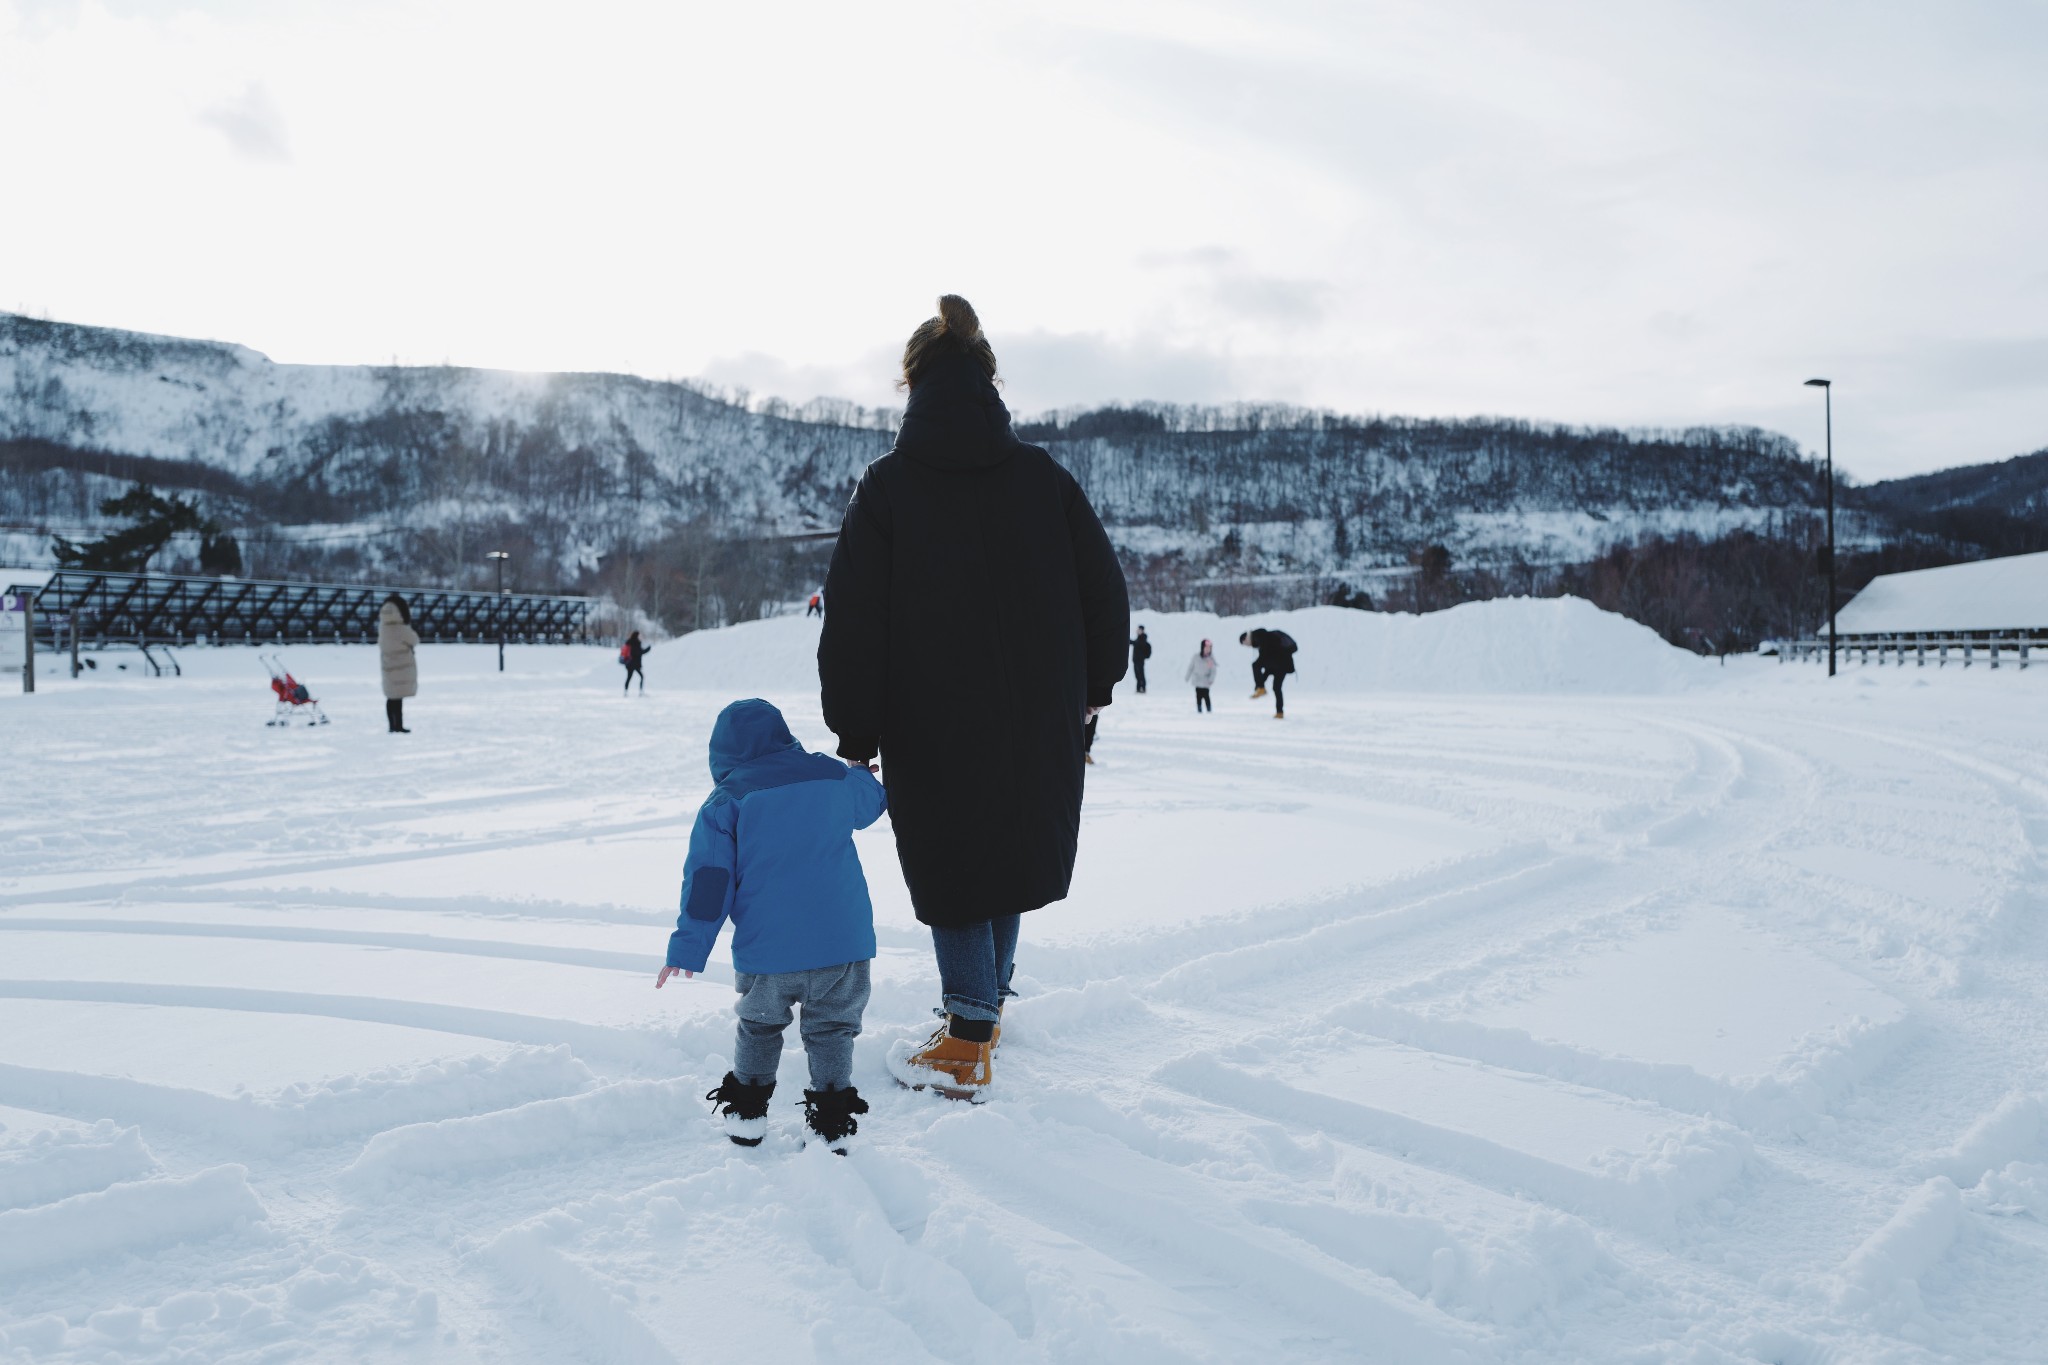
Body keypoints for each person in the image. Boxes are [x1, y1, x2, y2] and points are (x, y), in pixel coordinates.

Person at [819, 295, 1129, 1100]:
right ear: (989, 382)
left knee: (956, 858)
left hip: (931, 714)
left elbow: (854, 619)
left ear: (914, 385)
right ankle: (983, 1015)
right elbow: (1106, 590)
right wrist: (1095, 684)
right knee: (1009, 851)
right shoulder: (1043, 478)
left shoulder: (888, 488)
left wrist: (855, 730)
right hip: (1041, 711)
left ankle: (965, 1039)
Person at [656, 699, 888, 1153]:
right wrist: (860, 769)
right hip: (842, 943)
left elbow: (709, 882)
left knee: (760, 1026)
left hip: (769, 952)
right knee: (832, 1029)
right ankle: (832, 1121)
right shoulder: (831, 776)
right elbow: (872, 801)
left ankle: (746, 1115)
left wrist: (688, 948)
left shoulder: (726, 802)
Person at [378, 594, 418, 733]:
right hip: (402, 667)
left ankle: (392, 726)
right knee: (398, 699)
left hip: (387, 665)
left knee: (391, 697)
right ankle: (399, 726)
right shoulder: (401, 628)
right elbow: (415, 640)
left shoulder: (383, 628)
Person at [1239, 627, 1297, 719]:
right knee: (1276, 688)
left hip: (1281, 663)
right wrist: (1259, 684)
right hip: (1281, 664)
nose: (1247, 646)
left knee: (1255, 665)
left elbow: (1265, 654)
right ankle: (1279, 712)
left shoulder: (1258, 635)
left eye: (1244, 644)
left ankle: (1261, 689)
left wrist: (1259, 684)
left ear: (1245, 639)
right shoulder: (1260, 638)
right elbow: (1268, 662)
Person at [1186, 638, 1218, 712]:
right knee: (1198, 696)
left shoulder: (1210, 659)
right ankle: (1199, 710)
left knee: (1206, 696)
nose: (1208, 649)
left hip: (1206, 681)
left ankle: (1209, 709)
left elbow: (1213, 671)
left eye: (1209, 648)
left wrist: (1211, 679)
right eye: (1206, 647)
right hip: (1197, 680)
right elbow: (1191, 667)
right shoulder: (1196, 657)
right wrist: (1187, 677)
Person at [620, 630, 650, 695]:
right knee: (641, 676)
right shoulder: (635, 643)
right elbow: (638, 652)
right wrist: (648, 649)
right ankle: (640, 692)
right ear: (637, 635)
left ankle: (626, 691)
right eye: (639, 635)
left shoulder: (629, 642)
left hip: (629, 663)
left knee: (629, 677)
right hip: (634, 663)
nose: (640, 636)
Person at [1130, 625, 1151, 693]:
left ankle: (1143, 688)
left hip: (1140, 660)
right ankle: (1139, 688)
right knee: (1137, 675)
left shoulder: (1143, 639)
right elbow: (1134, 643)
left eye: (1139, 630)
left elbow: (1137, 643)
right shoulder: (1138, 639)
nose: (1138, 631)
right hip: (1136, 660)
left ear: (1142, 630)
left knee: (1141, 675)